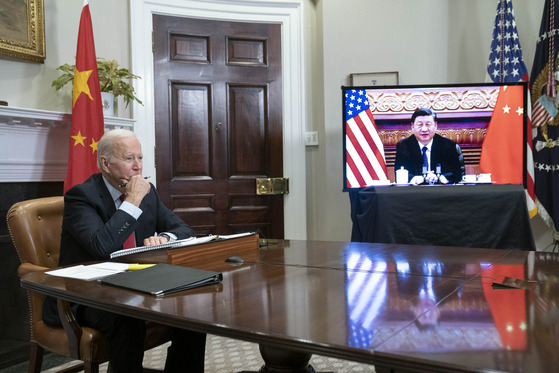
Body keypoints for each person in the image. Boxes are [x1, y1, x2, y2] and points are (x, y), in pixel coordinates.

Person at [42, 129, 206, 373]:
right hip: (86, 295)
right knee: (128, 319)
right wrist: (132, 202)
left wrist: (163, 237)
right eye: (129, 159)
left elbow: (185, 231)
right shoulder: (81, 197)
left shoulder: (148, 195)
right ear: (105, 163)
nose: (138, 167)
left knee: (193, 310)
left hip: (137, 284)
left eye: (140, 158)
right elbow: (103, 247)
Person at [394, 108, 464, 184]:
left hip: (442, 192)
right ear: (412, 126)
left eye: (428, 124)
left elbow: (457, 174)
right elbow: (400, 173)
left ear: (436, 125)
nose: (424, 129)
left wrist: (439, 178)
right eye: (420, 125)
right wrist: (417, 179)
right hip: (414, 192)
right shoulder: (404, 146)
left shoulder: (448, 145)